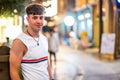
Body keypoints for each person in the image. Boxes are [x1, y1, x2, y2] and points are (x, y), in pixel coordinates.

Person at [9, 3, 53, 80]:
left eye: (41, 17)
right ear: (28, 19)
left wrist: (51, 78)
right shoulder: (20, 41)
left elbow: (46, 62)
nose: (39, 21)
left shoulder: (44, 39)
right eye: (35, 18)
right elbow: (13, 71)